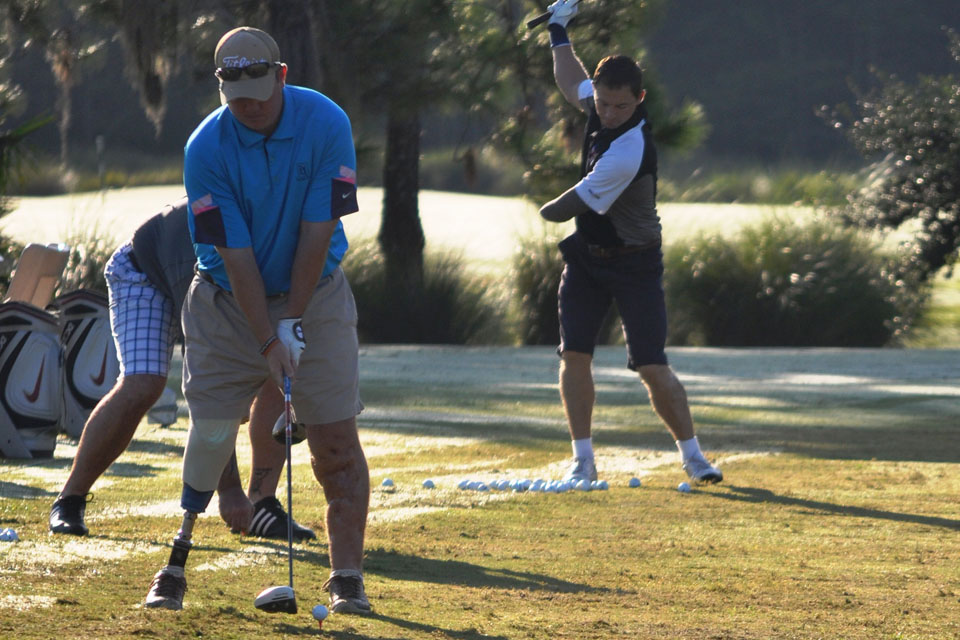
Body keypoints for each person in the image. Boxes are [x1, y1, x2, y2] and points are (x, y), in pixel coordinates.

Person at [144, 27, 370, 615]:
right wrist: (270, 337)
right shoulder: (205, 148)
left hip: (314, 291)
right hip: (224, 299)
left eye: (259, 91)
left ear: (283, 76)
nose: (248, 105)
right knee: (212, 433)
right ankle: (177, 560)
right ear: (221, 87)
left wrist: (292, 320)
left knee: (335, 442)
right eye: (236, 93)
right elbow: (236, 257)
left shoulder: (327, 124)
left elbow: (318, 231)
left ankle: (347, 578)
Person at [48, 199, 316, 542]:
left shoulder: (275, 230)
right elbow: (209, 383)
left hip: (217, 278)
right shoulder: (207, 248)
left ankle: (262, 504)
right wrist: (228, 490)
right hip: (142, 273)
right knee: (144, 382)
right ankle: (69, 499)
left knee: (275, 369)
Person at [537, 1, 723, 486]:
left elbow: (563, 208)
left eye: (622, 105)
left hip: (636, 263)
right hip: (586, 259)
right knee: (573, 354)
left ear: (639, 99)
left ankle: (694, 456)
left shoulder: (630, 147)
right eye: (602, 104)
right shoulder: (598, 107)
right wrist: (558, 30)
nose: (611, 113)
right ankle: (583, 460)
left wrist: (541, 212)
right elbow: (569, 78)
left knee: (651, 364)